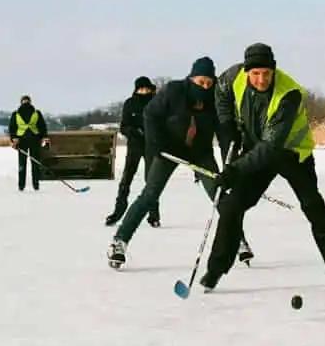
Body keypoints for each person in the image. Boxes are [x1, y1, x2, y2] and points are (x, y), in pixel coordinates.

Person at [199, 43, 325, 292]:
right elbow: (221, 94)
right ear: (246, 71)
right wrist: (228, 127)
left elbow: (270, 148)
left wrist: (235, 170)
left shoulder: (288, 94)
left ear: (274, 71)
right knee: (231, 205)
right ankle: (215, 270)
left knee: (312, 205)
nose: (261, 80)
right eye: (256, 73)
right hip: (256, 148)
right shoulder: (233, 76)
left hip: (292, 152)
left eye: (267, 74)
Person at [107, 57, 254, 269]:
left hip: (200, 152)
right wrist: (156, 143)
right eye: (201, 82)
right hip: (169, 149)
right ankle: (119, 241)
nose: (205, 86)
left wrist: (229, 167)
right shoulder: (174, 91)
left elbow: (224, 133)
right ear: (191, 78)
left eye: (209, 83)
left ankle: (237, 240)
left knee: (219, 194)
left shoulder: (216, 98)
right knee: (150, 194)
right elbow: (151, 114)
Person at [105, 76, 160, 227]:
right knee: (126, 179)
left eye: (146, 89)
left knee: (152, 181)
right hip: (134, 146)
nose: (144, 91)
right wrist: (134, 132)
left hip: (151, 146)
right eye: (141, 89)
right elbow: (124, 126)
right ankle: (118, 211)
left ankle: (154, 215)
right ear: (136, 89)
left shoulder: (156, 102)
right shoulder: (130, 103)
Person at [7, 94, 50, 191]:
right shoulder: (16, 114)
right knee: (23, 164)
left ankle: (34, 185)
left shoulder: (36, 113)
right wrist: (13, 140)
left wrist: (45, 138)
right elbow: (12, 128)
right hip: (23, 141)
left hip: (33, 140)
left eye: (26, 101)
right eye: (25, 101)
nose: (26, 103)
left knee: (34, 164)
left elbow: (42, 126)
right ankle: (22, 185)